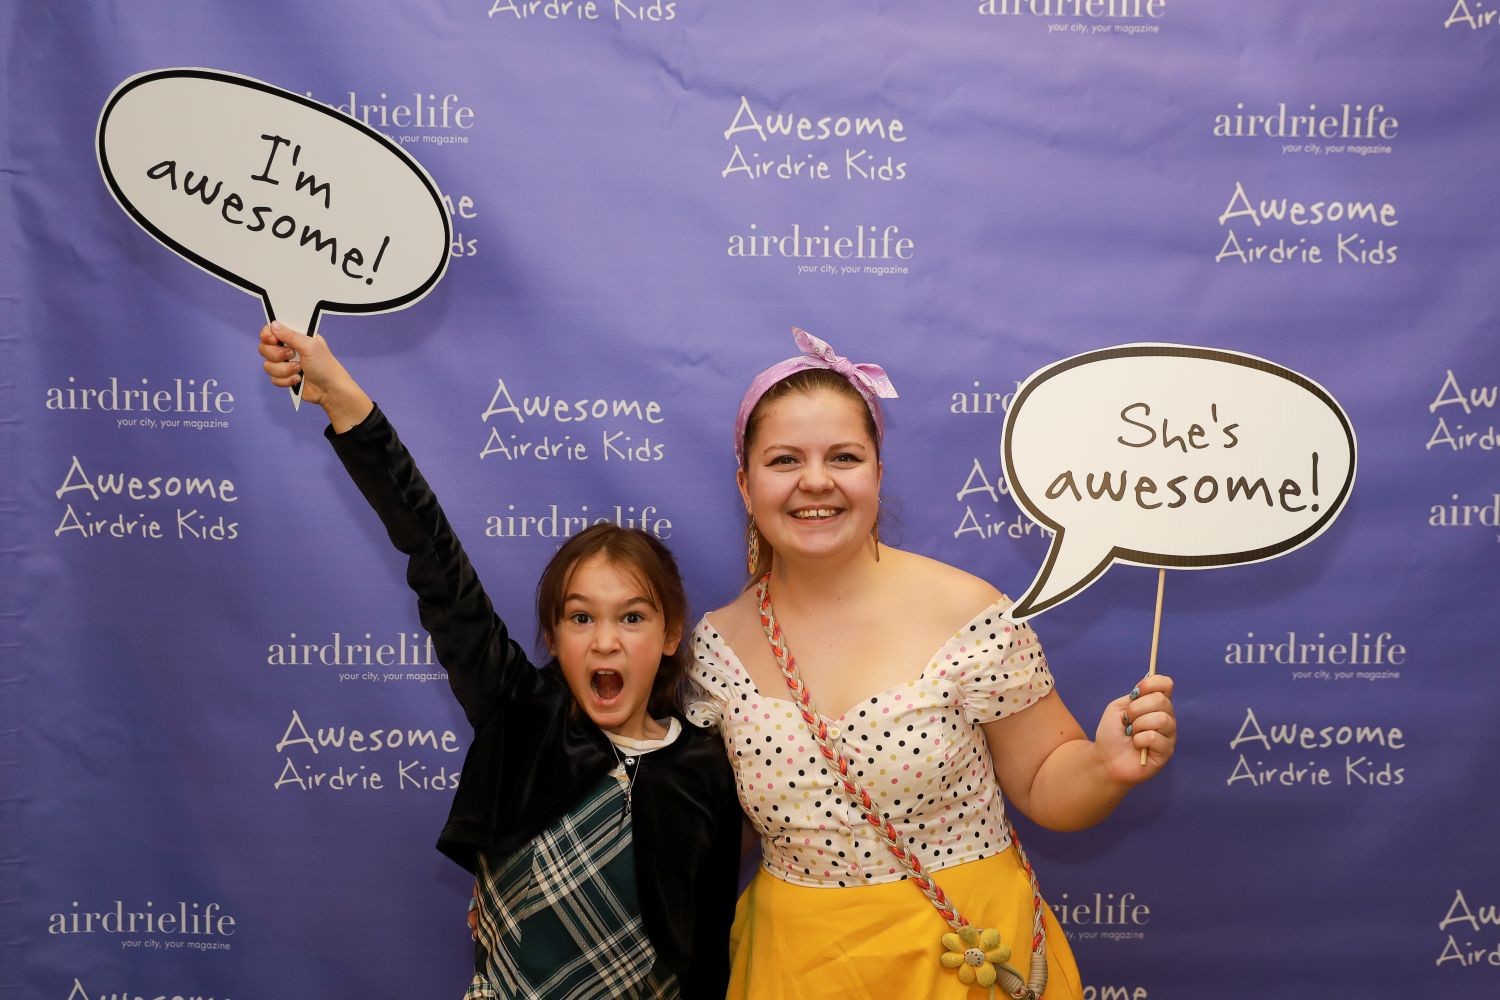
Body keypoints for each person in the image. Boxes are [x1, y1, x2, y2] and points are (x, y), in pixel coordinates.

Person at [685, 328, 1178, 1000]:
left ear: (877, 474)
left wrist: (1104, 768)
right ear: (746, 486)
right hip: (799, 966)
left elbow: (1043, 782)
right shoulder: (716, 649)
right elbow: (718, 835)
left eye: (844, 456)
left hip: (966, 956)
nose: (816, 481)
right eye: (784, 460)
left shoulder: (969, 612)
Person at [257, 322, 743, 1000]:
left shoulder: (707, 766)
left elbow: (712, 943)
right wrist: (343, 399)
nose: (605, 641)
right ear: (554, 636)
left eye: (632, 617)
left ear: (670, 634)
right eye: (581, 617)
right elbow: (434, 558)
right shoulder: (521, 713)